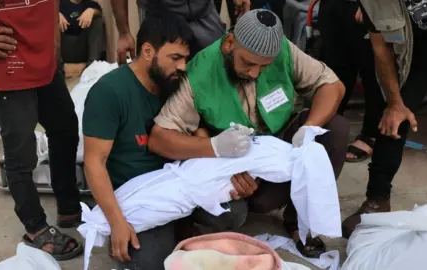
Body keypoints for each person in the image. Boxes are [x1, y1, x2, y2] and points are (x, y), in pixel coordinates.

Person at [148, 9, 349, 258]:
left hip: (281, 142)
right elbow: (159, 139)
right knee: (242, 209)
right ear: (229, 43)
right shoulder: (199, 72)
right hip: (237, 163)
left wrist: (307, 130)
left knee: (336, 130)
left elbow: (332, 85)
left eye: (264, 67)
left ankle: (298, 222)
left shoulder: (281, 50)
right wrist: (216, 150)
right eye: (248, 63)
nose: (255, 73)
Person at [82, 13, 247, 270]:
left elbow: (198, 132)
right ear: (148, 51)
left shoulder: (175, 85)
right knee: (147, 262)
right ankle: (170, 236)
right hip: (137, 197)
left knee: (235, 212)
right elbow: (94, 162)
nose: (183, 67)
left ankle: (181, 231)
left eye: (186, 59)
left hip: (180, 184)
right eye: (175, 58)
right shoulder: (109, 92)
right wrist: (116, 222)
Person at [0, 0, 83, 261]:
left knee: (65, 128)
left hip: (43, 58)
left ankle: (68, 205)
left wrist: (52, 33)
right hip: (6, 61)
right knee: (21, 153)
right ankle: (36, 228)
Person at [342, 0, 427, 237]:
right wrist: (395, 104)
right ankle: (377, 200)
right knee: (394, 117)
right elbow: (381, 48)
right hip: (417, 52)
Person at [318, 0, 384, 163]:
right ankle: (329, 126)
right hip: (333, 5)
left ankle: (370, 134)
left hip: (367, 6)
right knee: (334, 68)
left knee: (371, 69)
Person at [111, 0, 251, 64]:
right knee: (162, 72)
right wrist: (124, 33)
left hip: (203, 10)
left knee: (219, 63)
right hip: (162, 12)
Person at [59, 0, 104, 65]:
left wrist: (92, 11)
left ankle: (92, 65)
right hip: (63, 47)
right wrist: (55, 15)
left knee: (97, 20)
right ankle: (58, 67)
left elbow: (99, 13)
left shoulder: (91, 4)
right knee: (52, 21)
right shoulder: (60, 4)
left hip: (82, 46)